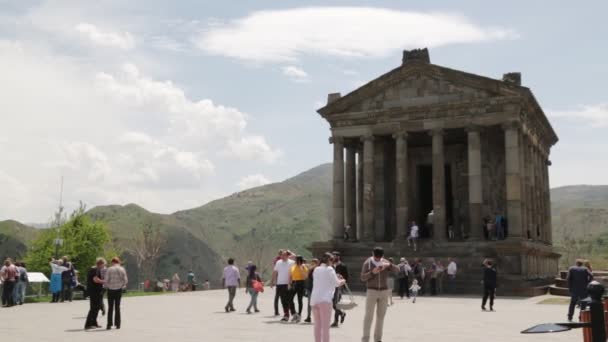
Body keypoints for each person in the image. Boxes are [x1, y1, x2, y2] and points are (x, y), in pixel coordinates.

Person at [360, 247, 400, 342]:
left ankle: (378, 339)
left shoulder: (385, 262)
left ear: (382, 256)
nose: (377, 259)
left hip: (384, 291)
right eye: (375, 257)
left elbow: (397, 270)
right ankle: (365, 339)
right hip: (371, 291)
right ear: (372, 254)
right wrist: (372, 272)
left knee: (381, 316)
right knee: (368, 316)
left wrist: (389, 265)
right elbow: (362, 277)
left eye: (379, 257)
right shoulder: (367, 263)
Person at [311, 252, 345, 342]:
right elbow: (337, 283)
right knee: (325, 327)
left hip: (314, 299)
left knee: (317, 325)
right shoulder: (330, 269)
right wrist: (343, 280)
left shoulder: (316, 269)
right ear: (329, 260)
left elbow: (323, 280)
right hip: (325, 300)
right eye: (332, 260)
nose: (333, 262)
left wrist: (335, 277)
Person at [271, 250, 296, 322]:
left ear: (288, 256)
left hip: (288, 283)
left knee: (290, 300)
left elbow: (292, 273)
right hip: (280, 284)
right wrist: (272, 281)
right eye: (281, 255)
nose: (282, 256)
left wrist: (290, 283)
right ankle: (286, 315)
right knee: (283, 300)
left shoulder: (292, 262)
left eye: (284, 255)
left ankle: (294, 314)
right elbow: (275, 272)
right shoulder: (278, 262)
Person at [105, 257, 128, 330]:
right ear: (118, 262)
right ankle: (118, 324)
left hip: (110, 290)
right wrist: (122, 285)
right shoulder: (122, 269)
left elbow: (106, 280)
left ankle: (109, 324)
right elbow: (125, 280)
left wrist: (108, 286)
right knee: (117, 307)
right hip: (119, 290)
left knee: (110, 307)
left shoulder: (109, 269)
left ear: (112, 262)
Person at [84, 258, 106, 329]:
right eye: (104, 264)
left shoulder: (95, 269)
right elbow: (95, 280)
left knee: (96, 307)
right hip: (95, 291)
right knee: (94, 308)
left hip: (96, 291)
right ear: (100, 264)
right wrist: (104, 281)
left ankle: (94, 323)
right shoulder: (95, 270)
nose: (104, 266)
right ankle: (88, 324)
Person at [331, 251, 348, 327]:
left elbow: (346, 277)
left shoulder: (343, 266)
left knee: (336, 304)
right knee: (333, 305)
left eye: (335, 256)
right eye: (333, 256)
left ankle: (335, 321)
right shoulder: (331, 266)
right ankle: (342, 313)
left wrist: (341, 277)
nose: (333, 257)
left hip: (339, 287)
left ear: (338, 257)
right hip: (331, 287)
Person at [291, 256, 308, 322]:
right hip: (294, 283)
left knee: (299, 300)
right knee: (290, 299)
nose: (296, 261)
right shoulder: (293, 266)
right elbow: (291, 275)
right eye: (295, 260)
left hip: (301, 283)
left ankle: (299, 315)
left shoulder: (303, 266)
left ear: (300, 260)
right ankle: (294, 314)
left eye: (297, 260)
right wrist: (290, 283)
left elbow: (305, 277)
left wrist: (301, 269)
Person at [304, 258, 319, 323]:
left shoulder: (319, 270)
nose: (313, 264)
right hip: (310, 288)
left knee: (316, 303)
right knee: (309, 303)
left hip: (317, 289)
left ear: (317, 263)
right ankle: (308, 317)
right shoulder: (310, 270)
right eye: (312, 263)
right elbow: (306, 278)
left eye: (314, 263)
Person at [272, 249, 284, 316]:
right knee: (281, 296)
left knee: (277, 297)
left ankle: (276, 311)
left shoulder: (276, 260)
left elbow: (275, 271)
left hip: (278, 280)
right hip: (280, 280)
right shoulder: (279, 260)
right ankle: (279, 311)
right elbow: (276, 271)